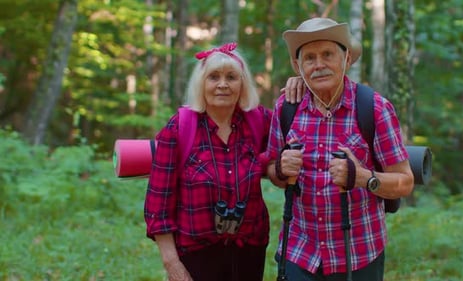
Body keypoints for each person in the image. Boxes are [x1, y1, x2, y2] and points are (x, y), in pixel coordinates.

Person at [265, 18, 415, 281]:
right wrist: (278, 168)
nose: (319, 64)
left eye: (327, 55)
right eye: (309, 58)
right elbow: (274, 173)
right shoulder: (286, 107)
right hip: (299, 251)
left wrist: (363, 177)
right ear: (297, 66)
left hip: (358, 253)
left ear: (346, 60)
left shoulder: (375, 109)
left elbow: (405, 182)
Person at [143, 42, 304, 281]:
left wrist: (301, 83)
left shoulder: (257, 121)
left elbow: (300, 124)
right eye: (213, 77)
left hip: (248, 251)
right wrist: (172, 263)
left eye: (231, 77)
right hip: (197, 254)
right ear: (201, 84)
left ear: (242, 84)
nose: (223, 84)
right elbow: (158, 203)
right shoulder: (180, 128)